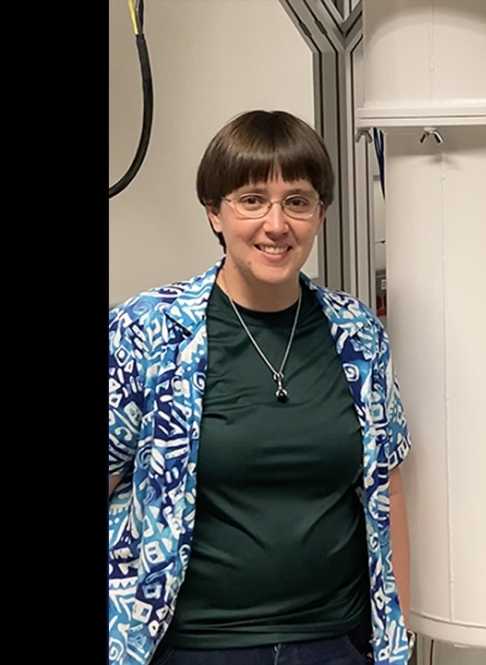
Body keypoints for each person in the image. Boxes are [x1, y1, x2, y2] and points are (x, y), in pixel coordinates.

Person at [108, 110, 415, 665]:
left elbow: (388, 492)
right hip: (193, 646)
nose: (276, 224)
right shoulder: (147, 331)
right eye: (251, 199)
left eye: (297, 201)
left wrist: (401, 643)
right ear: (214, 212)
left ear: (320, 214)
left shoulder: (357, 334)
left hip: (335, 644)